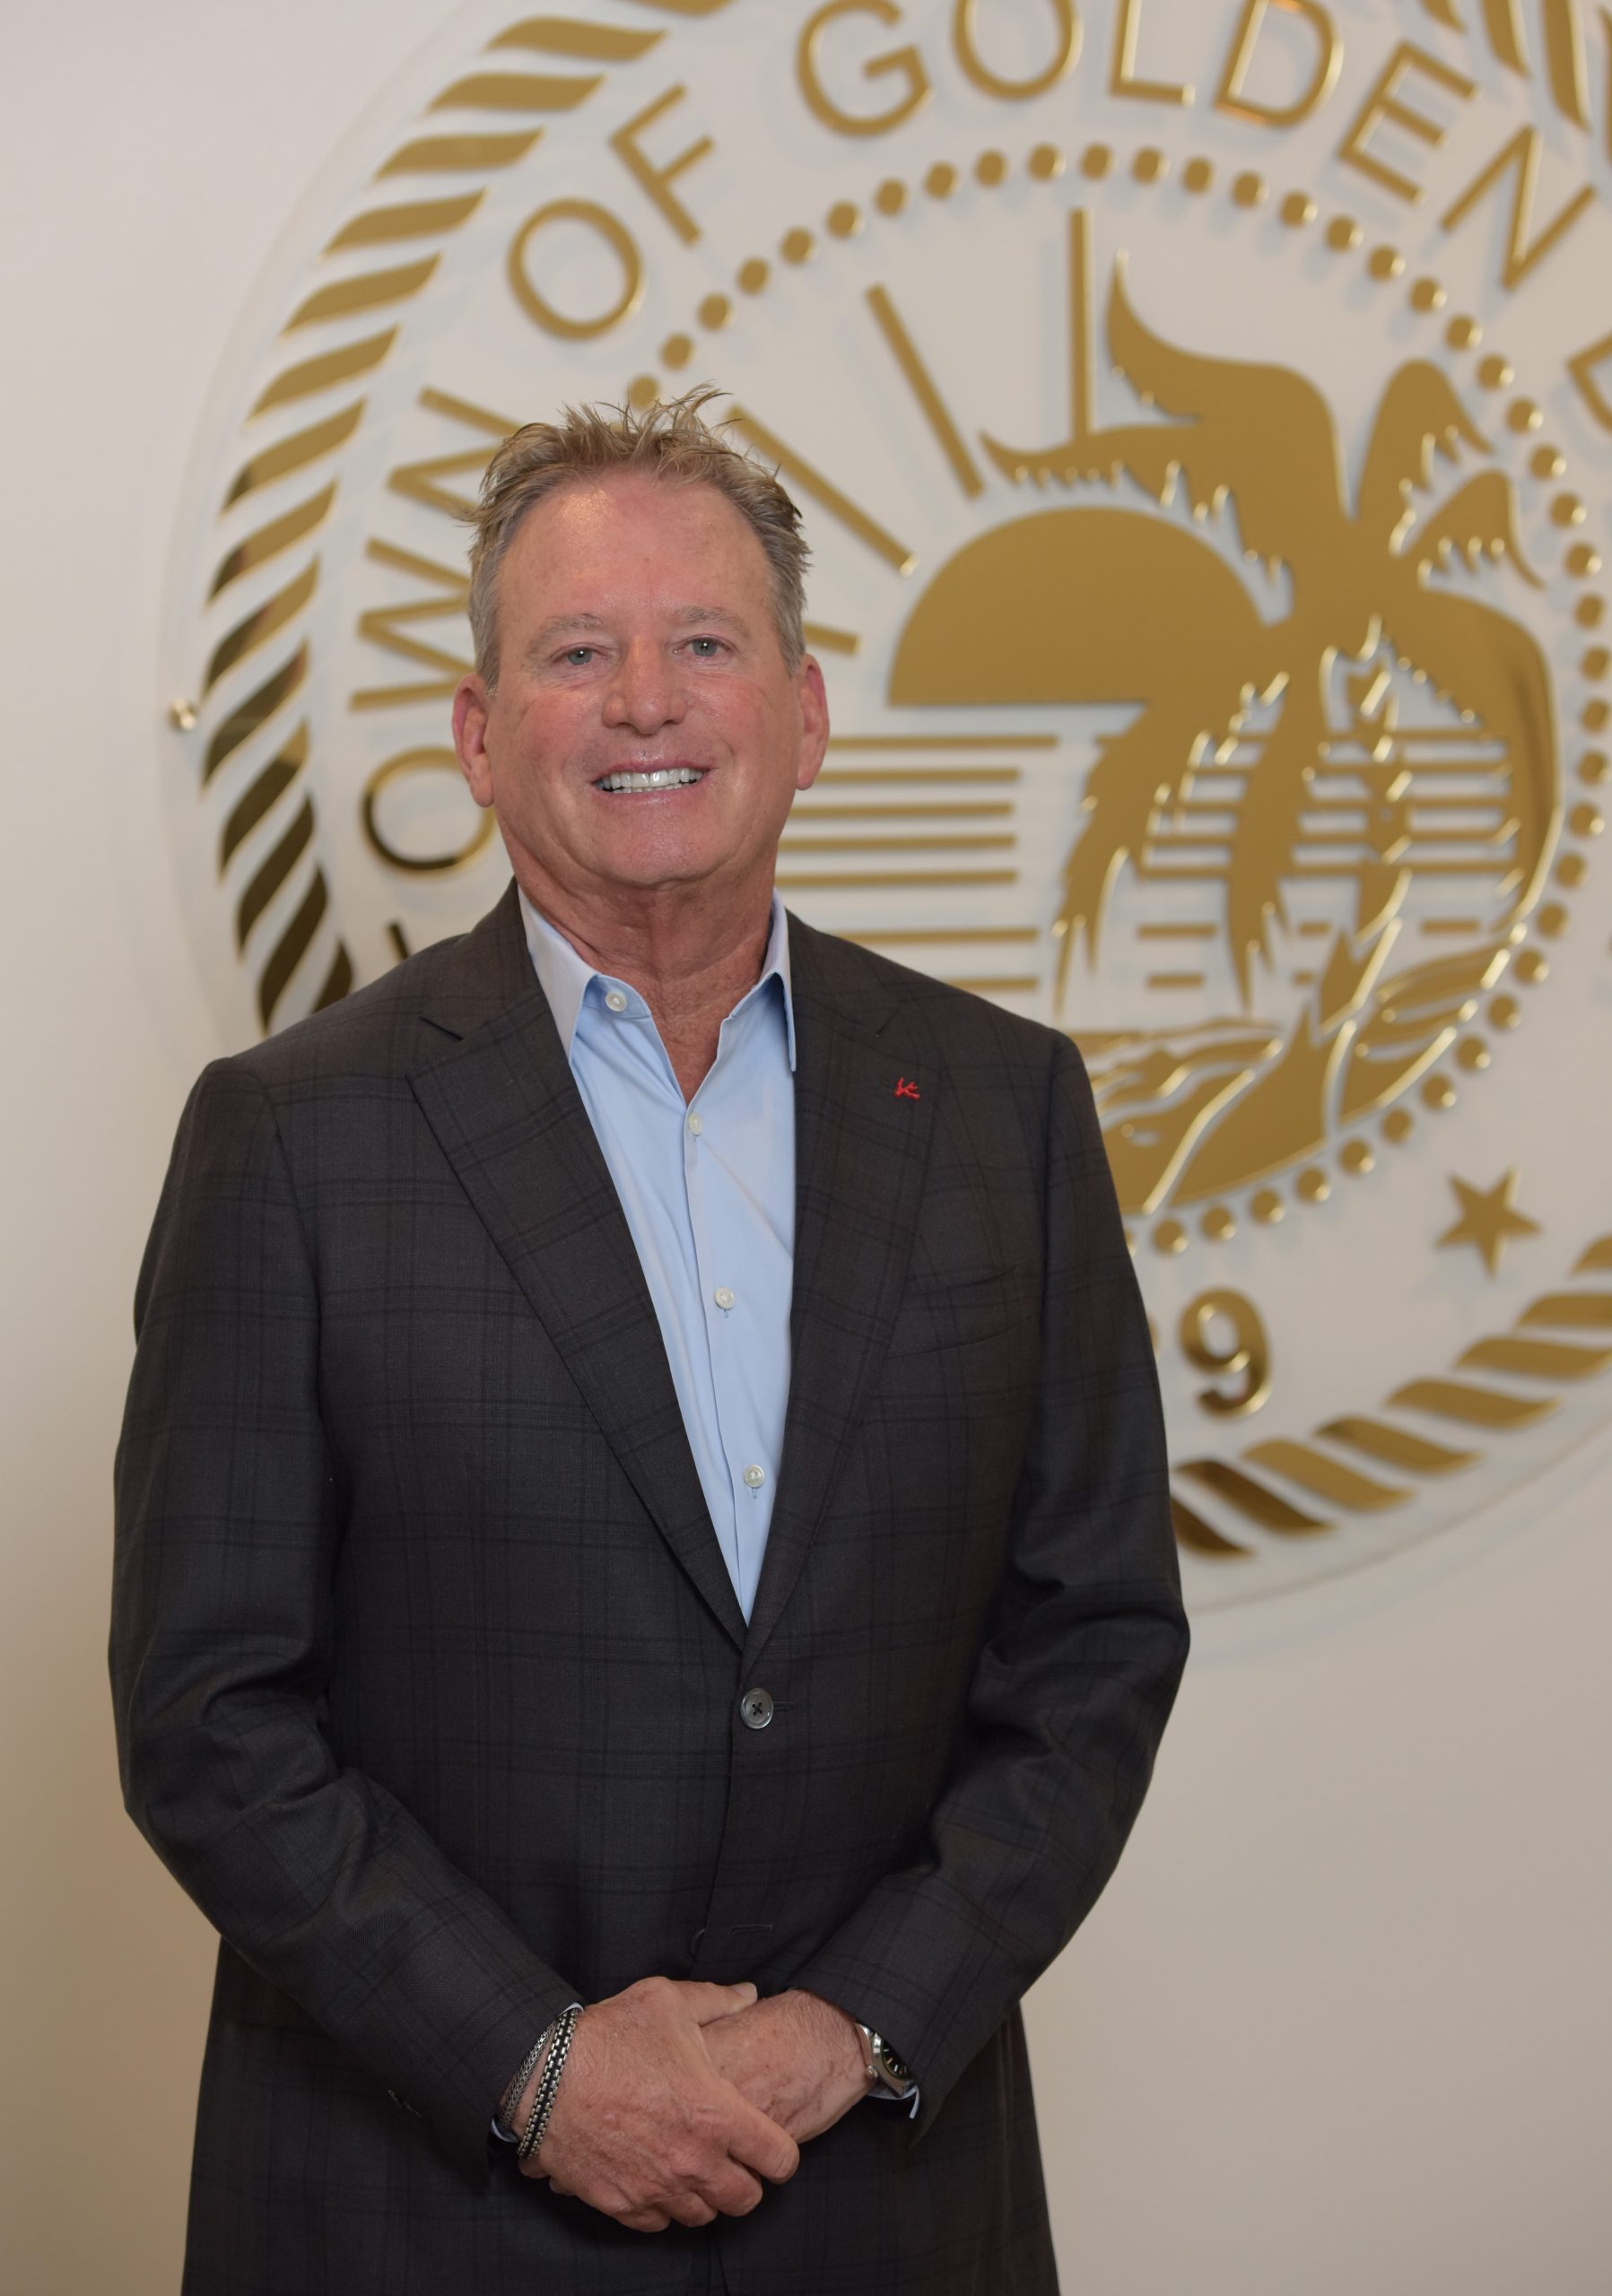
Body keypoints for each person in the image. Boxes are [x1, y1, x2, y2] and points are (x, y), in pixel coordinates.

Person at [112, 393, 1188, 2295]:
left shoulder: (1002, 1109)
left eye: (703, 641)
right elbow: (210, 1715)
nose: (644, 703)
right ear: (476, 732)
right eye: (574, 654)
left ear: (804, 711)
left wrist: (845, 2025)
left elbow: (1092, 1642)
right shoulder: (290, 1139)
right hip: (423, 2209)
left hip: (879, 2199)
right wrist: (535, 2068)